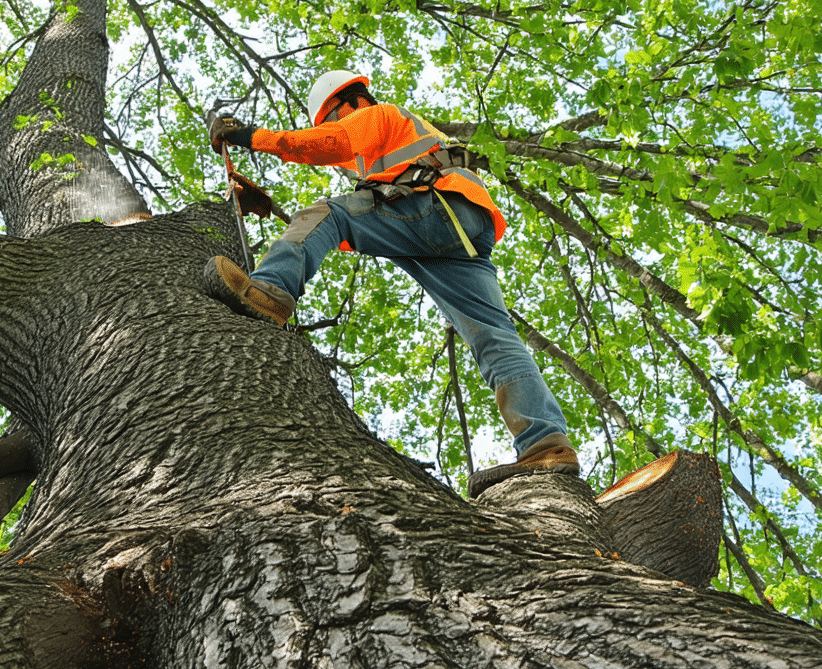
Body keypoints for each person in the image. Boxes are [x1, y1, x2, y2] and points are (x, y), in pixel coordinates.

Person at [205, 70, 578, 496]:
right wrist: (270, 207)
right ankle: (546, 445)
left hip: (435, 207)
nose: (333, 127)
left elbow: (328, 150)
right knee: (494, 337)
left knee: (327, 212)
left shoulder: (376, 115)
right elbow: (365, 223)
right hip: (461, 226)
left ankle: (270, 290)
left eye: (330, 119)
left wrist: (250, 136)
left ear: (346, 103)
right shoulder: (394, 151)